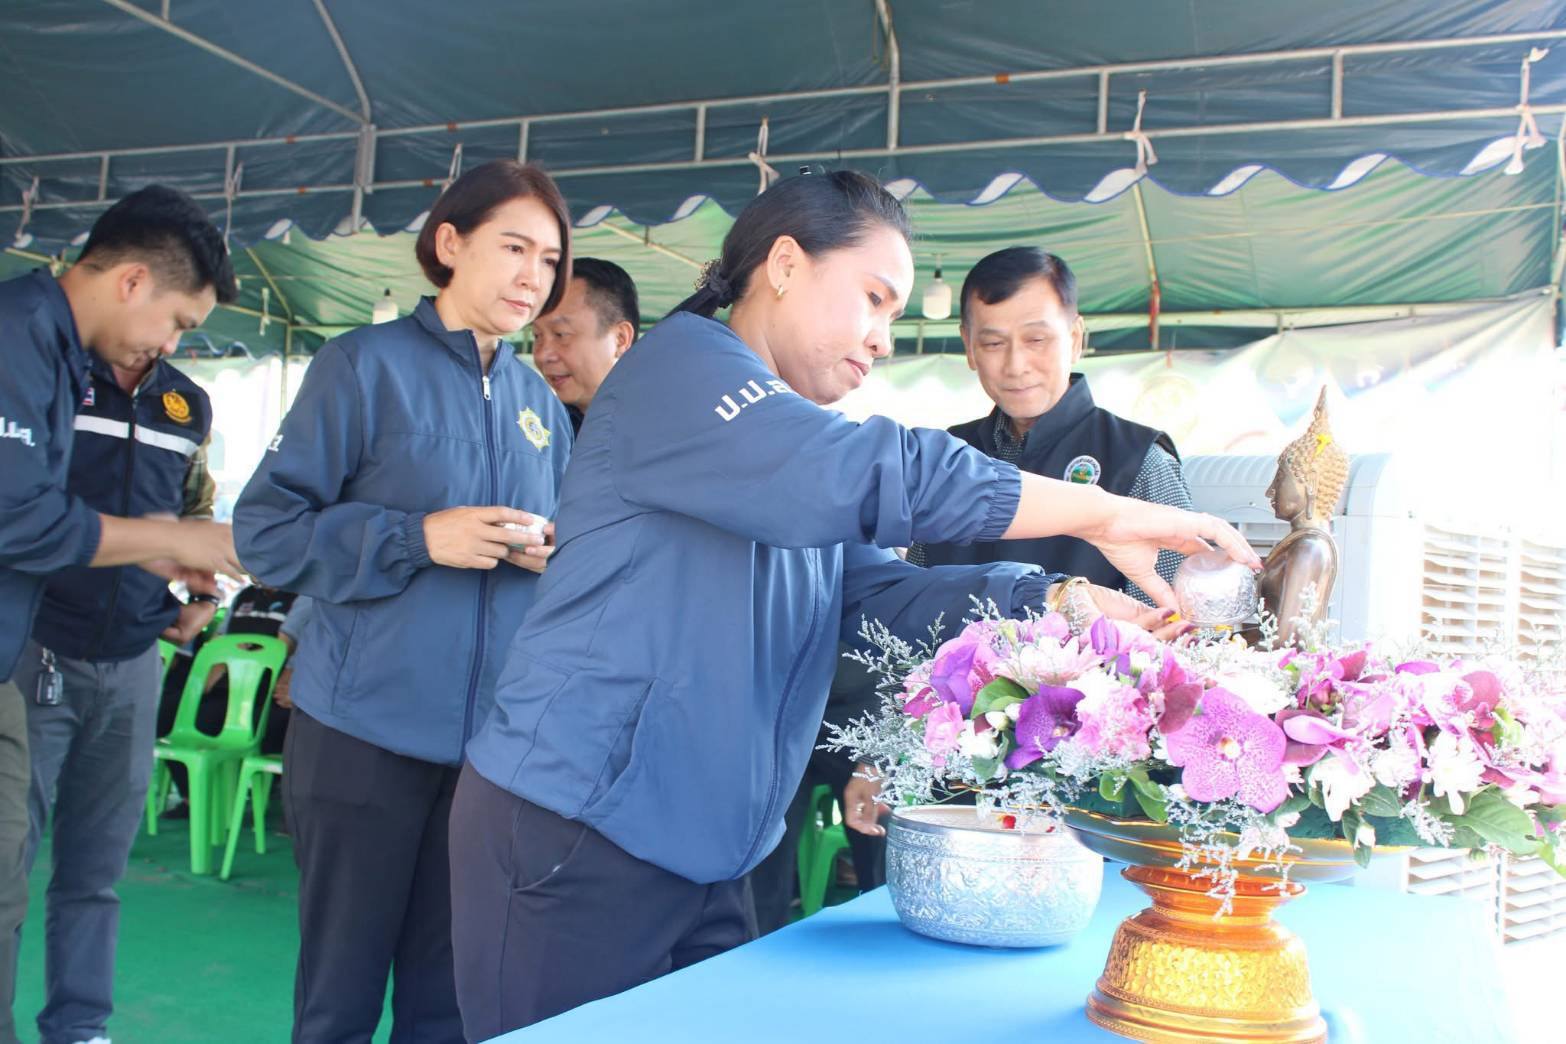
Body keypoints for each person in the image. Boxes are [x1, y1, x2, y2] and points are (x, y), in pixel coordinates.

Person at [447, 169, 1258, 1040]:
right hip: (579, 829)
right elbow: (876, 469)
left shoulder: (786, 437)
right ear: (785, 265)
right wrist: (1101, 512)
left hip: (710, 847)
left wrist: (1057, 599)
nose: (881, 337)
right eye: (872, 298)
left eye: (894, 314)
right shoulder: (681, 369)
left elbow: (880, 594)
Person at [232, 159, 574, 1044]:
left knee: (449, 1001)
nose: (533, 276)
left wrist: (554, 555)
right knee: (340, 998)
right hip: (361, 734)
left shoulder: (542, 407)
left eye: (548, 259)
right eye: (514, 247)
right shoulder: (362, 366)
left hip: (487, 754)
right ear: (449, 243)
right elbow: (267, 533)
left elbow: (568, 558)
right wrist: (418, 538)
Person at [0, 185, 240, 1044]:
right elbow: (20, 516)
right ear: (133, 281)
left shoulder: (171, 398)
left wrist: (180, 567)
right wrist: (170, 538)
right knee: (8, 872)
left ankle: (79, 1026)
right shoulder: (22, 341)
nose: (173, 344)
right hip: (37, 649)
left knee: (88, 871)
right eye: (177, 321)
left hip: (129, 648)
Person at [907, 247, 1192, 606]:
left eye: (1036, 340)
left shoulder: (1139, 460)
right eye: (993, 343)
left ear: (1075, 339)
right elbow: (912, 593)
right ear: (968, 345)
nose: (1016, 365)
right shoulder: (949, 458)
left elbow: (1176, 620)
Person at [532, 256, 639, 432]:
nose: (542, 355)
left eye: (561, 334)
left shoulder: (669, 427)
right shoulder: (538, 430)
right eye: (537, 336)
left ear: (620, 339)